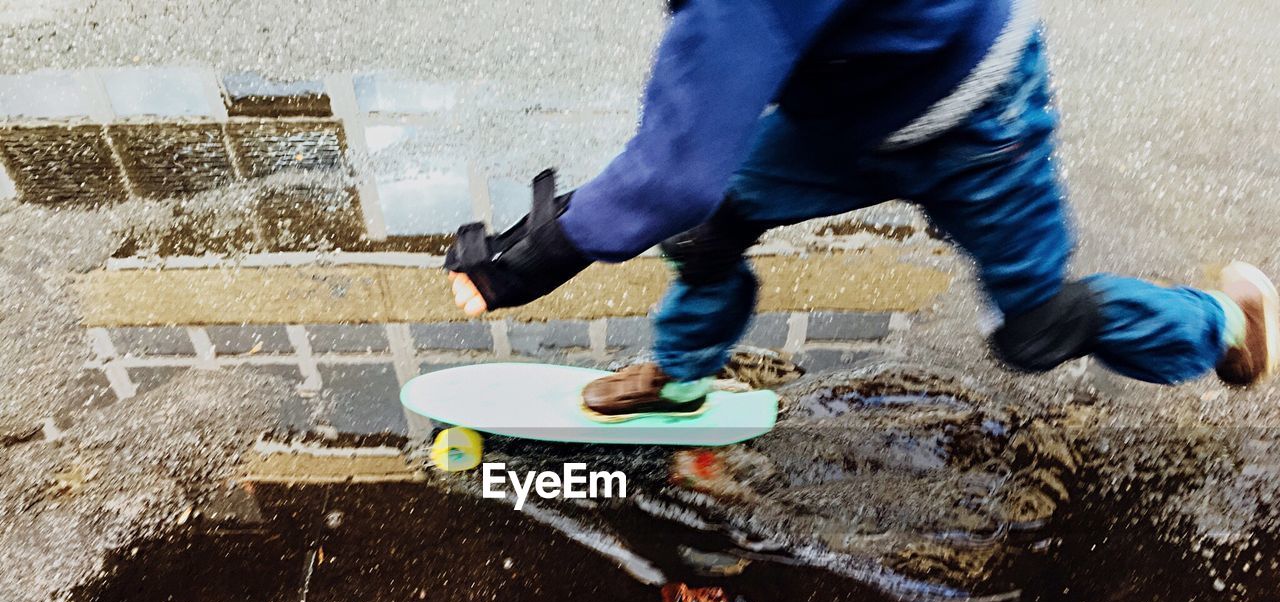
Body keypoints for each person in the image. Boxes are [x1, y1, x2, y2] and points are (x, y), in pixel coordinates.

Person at [445, 0, 1278, 421]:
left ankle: (1226, 324)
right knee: (711, 229)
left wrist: (519, 264)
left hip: (978, 114)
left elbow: (672, 173)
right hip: (852, 111)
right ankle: (679, 377)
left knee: (1034, 332)